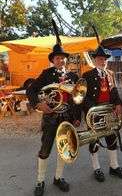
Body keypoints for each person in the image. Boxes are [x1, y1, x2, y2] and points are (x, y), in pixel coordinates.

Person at [26, 43, 82, 196]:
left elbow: (77, 98)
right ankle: (40, 180)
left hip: (68, 117)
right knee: (45, 150)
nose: (60, 60)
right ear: (53, 60)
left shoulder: (73, 76)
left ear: (66, 60)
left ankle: (58, 177)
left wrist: (77, 117)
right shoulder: (46, 74)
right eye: (57, 58)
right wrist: (38, 104)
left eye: (63, 58)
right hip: (51, 117)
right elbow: (30, 89)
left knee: (64, 149)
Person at [82, 44, 122, 182]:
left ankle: (114, 166)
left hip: (108, 111)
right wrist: (92, 110)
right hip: (94, 112)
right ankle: (96, 167)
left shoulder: (111, 74)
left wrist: (119, 103)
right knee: (94, 139)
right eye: (100, 59)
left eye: (105, 59)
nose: (103, 61)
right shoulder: (87, 75)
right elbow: (83, 96)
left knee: (111, 138)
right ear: (95, 60)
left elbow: (114, 92)